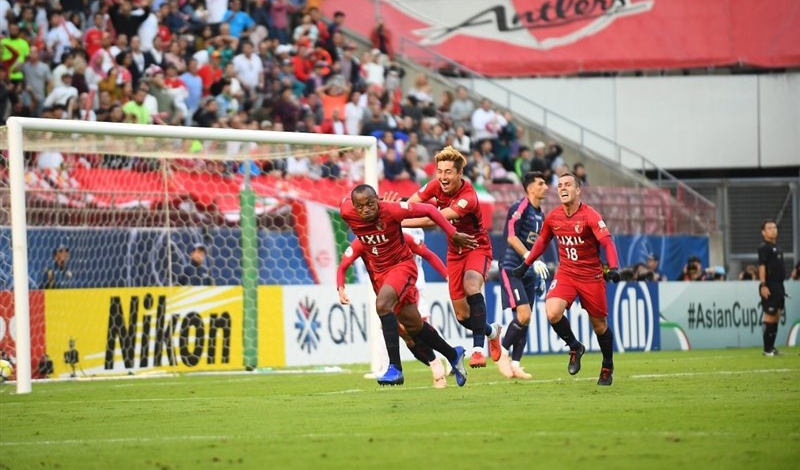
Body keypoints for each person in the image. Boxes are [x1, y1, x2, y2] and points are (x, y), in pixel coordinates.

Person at [339, 184, 474, 386]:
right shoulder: (346, 212)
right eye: (361, 206)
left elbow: (429, 210)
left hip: (402, 266)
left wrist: (452, 233)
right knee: (414, 327)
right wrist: (340, 287)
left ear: (378, 200)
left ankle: (395, 368)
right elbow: (343, 204)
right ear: (354, 207)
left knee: (382, 305)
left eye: (370, 203)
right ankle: (452, 353)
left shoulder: (391, 210)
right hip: (381, 275)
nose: (366, 209)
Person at [512, 172, 621, 386]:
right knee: (552, 312)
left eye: (568, 185)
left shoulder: (591, 215)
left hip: (591, 276)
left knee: (599, 326)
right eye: (560, 185)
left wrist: (614, 267)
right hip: (567, 273)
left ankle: (607, 364)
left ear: (578, 190)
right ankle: (574, 346)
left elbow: (607, 242)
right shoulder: (553, 217)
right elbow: (542, 242)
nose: (563, 188)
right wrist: (525, 265)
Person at [404, 146, 502, 368]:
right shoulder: (434, 185)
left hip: (476, 247)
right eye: (440, 171)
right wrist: (394, 211)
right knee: (462, 316)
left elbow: (435, 220)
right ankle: (491, 331)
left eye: (448, 172)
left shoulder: (468, 197)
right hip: (454, 253)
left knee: (471, 286)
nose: (443, 177)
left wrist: (400, 221)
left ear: (459, 174)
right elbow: (410, 205)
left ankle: (478, 351)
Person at [337, 231, 451, 388]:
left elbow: (428, 251)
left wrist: (448, 276)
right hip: (384, 295)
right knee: (406, 336)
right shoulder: (363, 241)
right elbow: (343, 266)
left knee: (413, 329)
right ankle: (437, 361)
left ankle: (444, 361)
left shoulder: (399, 234)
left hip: (409, 288)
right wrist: (340, 287)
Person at [497, 172, 551, 379]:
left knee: (525, 320)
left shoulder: (541, 214)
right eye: (541, 183)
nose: (545, 186)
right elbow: (511, 237)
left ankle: (516, 363)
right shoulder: (520, 208)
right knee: (524, 315)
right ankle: (500, 352)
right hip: (512, 268)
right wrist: (529, 257)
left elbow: (540, 244)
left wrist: (540, 269)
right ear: (530, 189)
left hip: (529, 272)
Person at [758, 219, 786, 356]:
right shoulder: (764, 247)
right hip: (770, 284)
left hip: (779, 285)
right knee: (769, 315)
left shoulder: (777, 247)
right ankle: (767, 349)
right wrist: (763, 284)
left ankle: (771, 347)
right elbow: (762, 266)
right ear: (763, 232)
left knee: (777, 315)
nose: (773, 230)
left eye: (774, 227)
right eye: (769, 228)